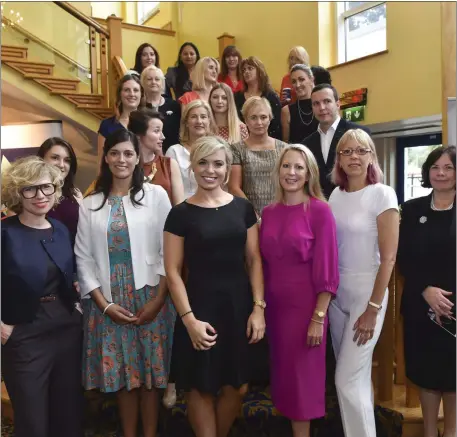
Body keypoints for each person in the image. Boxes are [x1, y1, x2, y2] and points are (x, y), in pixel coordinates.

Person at [164, 135, 266, 437]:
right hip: (198, 308)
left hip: (238, 307)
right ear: (193, 167)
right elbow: (172, 271)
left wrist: (258, 308)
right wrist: (189, 320)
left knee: (239, 385)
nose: (211, 170)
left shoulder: (243, 208)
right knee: (200, 386)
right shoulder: (180, 213)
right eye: (203, 163)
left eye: (218, 164)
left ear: (227, 169)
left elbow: (254, 260)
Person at [75, 129, 173, 437]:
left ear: (138, 157)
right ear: (105, 158)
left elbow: (169, 251)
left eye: (128, 153)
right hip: (110, 301)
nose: (121, 159)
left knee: (150, 376)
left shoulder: (157, 196)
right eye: (115, 153)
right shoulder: (89, 204)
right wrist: (104, 306)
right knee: (124, 377)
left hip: (150, 294)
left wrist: (158, 300)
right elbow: (83, 258)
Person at [260, 144, 339, 437]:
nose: (291, 173)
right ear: (278, 170)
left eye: (298, 168)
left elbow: (328, 271)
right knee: (284, 383)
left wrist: (318, 316)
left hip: (307, 310)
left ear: (309, 174)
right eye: (286, 166)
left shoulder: (320, 211)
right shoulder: (268, 212)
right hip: (276, 310)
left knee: (303, 387)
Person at [1, 156, 83, 437]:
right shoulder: (4, 232)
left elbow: (68, 276)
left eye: (47, 187)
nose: (40, 196)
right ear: (17, 192)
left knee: (67, 416)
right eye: (30, 189)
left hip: (65, 330)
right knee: (32, 422)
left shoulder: (60, 230)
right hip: (24, 334)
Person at [328, 129, 399, 437]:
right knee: (355, 382)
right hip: (335, 297)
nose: (354, 156)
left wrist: (373, 308)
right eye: (347, 152)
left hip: (367, 296)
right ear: (339, 160)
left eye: (361, 151)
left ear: (372, 156)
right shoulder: (335, 195)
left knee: (345, 380)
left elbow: (389, 259)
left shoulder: (383, 194)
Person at [397, 146, 456, 437]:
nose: (441, 173)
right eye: (435, 167)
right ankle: (430, 431)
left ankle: (453, 430)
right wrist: (425, 289)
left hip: (455, 309)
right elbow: (403, 257)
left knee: (453, 373)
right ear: (427, 171)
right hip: (421, 305)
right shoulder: (411, 210)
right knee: (427, 372)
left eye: (448, 168)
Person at [302, 83, 371, 199]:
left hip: (354, 202)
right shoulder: (307, 143)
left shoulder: (359, 133)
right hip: (320, 207)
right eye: (316, 104)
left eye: (327, 101)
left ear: (338, 104)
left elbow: (369, 172)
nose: (322, 107)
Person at [229, 96, 287, 217]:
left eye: (263, 117)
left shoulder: (284, 149)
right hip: (248, 216)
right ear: (245, 120)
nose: (259, 122)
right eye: (253, 118)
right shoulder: (236, 149)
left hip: (281, 214)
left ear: (270, 119)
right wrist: (254, 216)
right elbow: (234, 187)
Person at [129, 108, 185, 206]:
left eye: (161, 131)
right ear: (138, 134)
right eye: (156, 131)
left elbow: (179, 207)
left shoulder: (169, 164)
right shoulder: (126, 164)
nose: (162, 137)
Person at [166, 100, 217, 199]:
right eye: (194, 117)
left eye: (203, 117)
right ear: (186, 122)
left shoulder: (217, 150)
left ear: (209, 121)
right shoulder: (174, 151)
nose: (199, 121)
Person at [37, 137, 82, 244]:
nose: (61, 165)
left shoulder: (76, 193)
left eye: (67, 160)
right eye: (55, 158)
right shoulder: (27, 194)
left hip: (73, 258)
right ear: (41, 159)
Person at [234, 56, 282, 140]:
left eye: (250, 68)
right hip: (241, 141)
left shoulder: (271, 96)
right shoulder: (237, 97)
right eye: (244, 70)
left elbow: (276, 125)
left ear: (259, 71)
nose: (246, 72)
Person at [97, 74, 143, 157]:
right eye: (127, 90)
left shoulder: (148, 122)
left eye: (136, 90)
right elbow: (101, 160)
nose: (132, 94)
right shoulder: (107, 125)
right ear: (120, 94)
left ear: (141, 94)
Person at [140, 65, 181, 153]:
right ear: (143, 82)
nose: (153, 82)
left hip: (170, 153)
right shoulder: (139, 106)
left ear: (162, 83)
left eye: (157, 79)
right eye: (149, 79)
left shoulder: (174, 105)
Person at [281, 64, 319, 144]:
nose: (297, 85)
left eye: (301, 79)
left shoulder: (321, 106)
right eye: (294, 81)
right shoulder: (286, 111)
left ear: (311, 80)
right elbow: (285, 144)